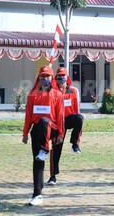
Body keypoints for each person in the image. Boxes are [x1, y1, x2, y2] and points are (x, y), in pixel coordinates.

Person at [22, 65, 65, 206]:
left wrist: (60, 133)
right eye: (42, 76)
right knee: (37, 161)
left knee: (44, 120)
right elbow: (28, 116)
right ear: (39, 78)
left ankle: (45, 149)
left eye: (47, 76)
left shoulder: (57, 95)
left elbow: (60, 115)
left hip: (51, 128)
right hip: (37, 131)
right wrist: (25, 133)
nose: (45, 79)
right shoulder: (32, 95)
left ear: (51, 78)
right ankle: (37, 194)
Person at [47, 67, 84, 186]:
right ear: (56, 78)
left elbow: (77, 109)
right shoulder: (52, 91)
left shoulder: (73, 90)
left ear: (67, 78)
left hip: (69, 118)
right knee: (56, 148)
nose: (61, 78)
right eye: (59, 76)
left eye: (63, 76)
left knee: (79, 118)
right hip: (57, 122)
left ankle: (75, 144)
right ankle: (53, 176)